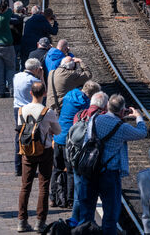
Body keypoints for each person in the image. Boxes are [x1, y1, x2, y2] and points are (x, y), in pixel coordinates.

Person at [78, 94, 147, 234]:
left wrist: (121, 114)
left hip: (89, 170)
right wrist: (138, 116)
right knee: (110, 213)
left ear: (107, 106)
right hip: (109, 174)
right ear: (122, 111)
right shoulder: (122, 128)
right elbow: (142, 132)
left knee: (86, 211)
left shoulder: (94, 119)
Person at [17, 82, 61, 233]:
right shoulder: (47, 112)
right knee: (43, 185)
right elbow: (58, 130)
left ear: (30, 93)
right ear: (44, 94)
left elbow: (20, 129)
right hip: (45, 151)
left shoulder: (21, 110)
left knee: (25, 186)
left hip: (27, 151)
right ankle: (40, 222)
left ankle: (22, 221)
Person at [50, 81, 101, 209]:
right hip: (70, 140)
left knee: (56, 169)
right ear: (92, 95)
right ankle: (70, 199)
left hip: (58, 137)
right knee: (71, 172)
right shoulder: (85, 104)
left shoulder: (69, 95)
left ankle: (53, 197)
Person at [69, 91, 108, 226]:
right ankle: (86, 224)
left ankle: (74, 221)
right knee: (90, 196)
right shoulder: (102, 117)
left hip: (77, 159)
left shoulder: (79, 115)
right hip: (91, 162)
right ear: (104, 106)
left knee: (78, 194)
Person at [13, 58, 45, 177]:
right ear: (36, 69)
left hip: (17, 109)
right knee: (32, 136)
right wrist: (41, 76)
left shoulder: (16, 76)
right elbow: (44, 91)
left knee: (19, 136)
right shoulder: (34, 80)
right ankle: (30, 165)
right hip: (30, 110)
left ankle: (18, 166)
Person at [11, 1, 26, 72]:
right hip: (21, 41)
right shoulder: (24, 18)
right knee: (22, 60)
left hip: (12, 42)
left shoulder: (10, 17)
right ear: (22, 9)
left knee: (13, 60)